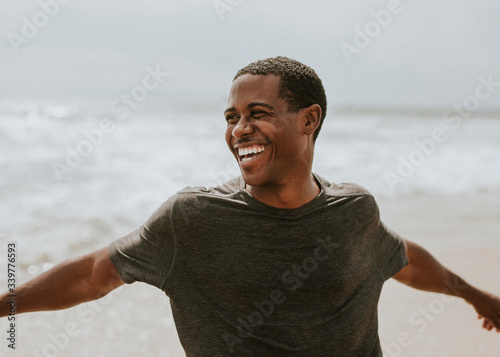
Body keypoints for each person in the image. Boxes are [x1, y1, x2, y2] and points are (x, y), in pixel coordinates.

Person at [1, 56, 499, 356]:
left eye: (258, 114)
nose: (239, 129)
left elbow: (403, 258)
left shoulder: (354, 212)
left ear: (309, 119)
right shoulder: (192, 218)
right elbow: (92, 274)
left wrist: (477, 296)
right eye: (232, 116)